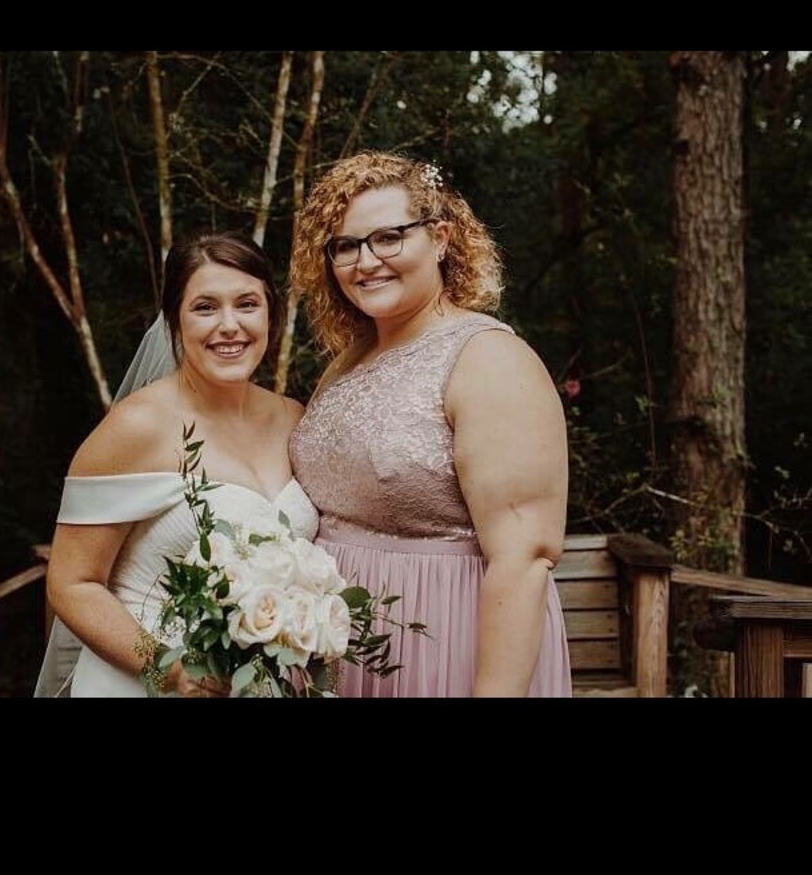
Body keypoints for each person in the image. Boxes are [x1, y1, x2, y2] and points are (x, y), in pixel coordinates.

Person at [288, 151, 572, 697]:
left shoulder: (488, 359)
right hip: (338, 651)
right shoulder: (349, 359)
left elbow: (524, 557)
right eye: (345, 246)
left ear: (441, 238)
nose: (365, 261)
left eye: (388, 237)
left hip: (444, 644)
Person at [34, 231, 319, 697]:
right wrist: (168, 671)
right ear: (174, 321)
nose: (229, 325)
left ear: (272, 313)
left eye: (247, 304)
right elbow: (72, 583)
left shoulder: (294, 419)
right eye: (205, 307)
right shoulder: (136, 427)